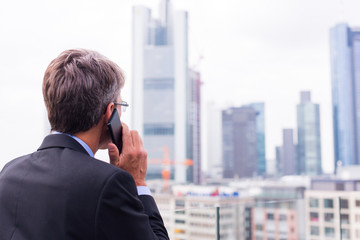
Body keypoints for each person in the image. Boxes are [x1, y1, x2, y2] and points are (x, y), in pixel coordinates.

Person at [0, 49, 169, 240]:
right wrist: (137, 182)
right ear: (110, 112)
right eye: (121, 107)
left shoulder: (8, 173)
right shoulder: (109, 183)